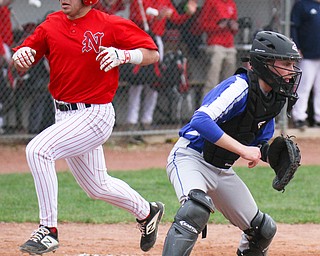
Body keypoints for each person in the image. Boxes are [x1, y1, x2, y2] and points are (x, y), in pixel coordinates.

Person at [11, 0, 164, 255]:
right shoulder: (51, 24)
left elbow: (152, 53)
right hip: (64, 115)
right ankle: (147, 212)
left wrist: (124, 55)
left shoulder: (108, 24)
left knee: (38, 150)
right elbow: (24, 56)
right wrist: (20, 57)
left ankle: (48, 231)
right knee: (97, 186)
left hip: (95, 114)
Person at [162, 31, 302, 256]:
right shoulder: (240, 86)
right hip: (190, 157)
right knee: (195, 210)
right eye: (285, 63)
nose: (291, 71)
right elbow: (200, 120)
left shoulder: (274, 98)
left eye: (292, 64)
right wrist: (243, 150)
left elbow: (257, 141)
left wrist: (267, 153)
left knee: (263, 230)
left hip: (221, 169)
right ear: (266, 63)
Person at [125, 0, 197, 142]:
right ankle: (131, 123)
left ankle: (147, 121)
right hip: (138, 39)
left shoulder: (164, 1)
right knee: (137, 83)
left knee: (153, 83)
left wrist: (188, 13)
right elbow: (135, 20)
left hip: (156, 40)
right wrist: (156, 17)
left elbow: (176, 19)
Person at [197, 0, 239, 98]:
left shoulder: (231, 3)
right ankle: (206, 109)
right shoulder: (211, 2)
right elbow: (202, 25)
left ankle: (228, 107)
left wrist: (234, 26)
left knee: (230, 82)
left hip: (229, 45)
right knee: (212, 81)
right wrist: (218, 26)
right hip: (215, 44)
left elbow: (235, 27)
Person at [290, 0, 320, 130]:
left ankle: (318, 118)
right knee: (303, 87)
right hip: (307, 54)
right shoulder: (302, 5)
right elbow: (294, 27)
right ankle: (299, 117)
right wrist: (297, 47)